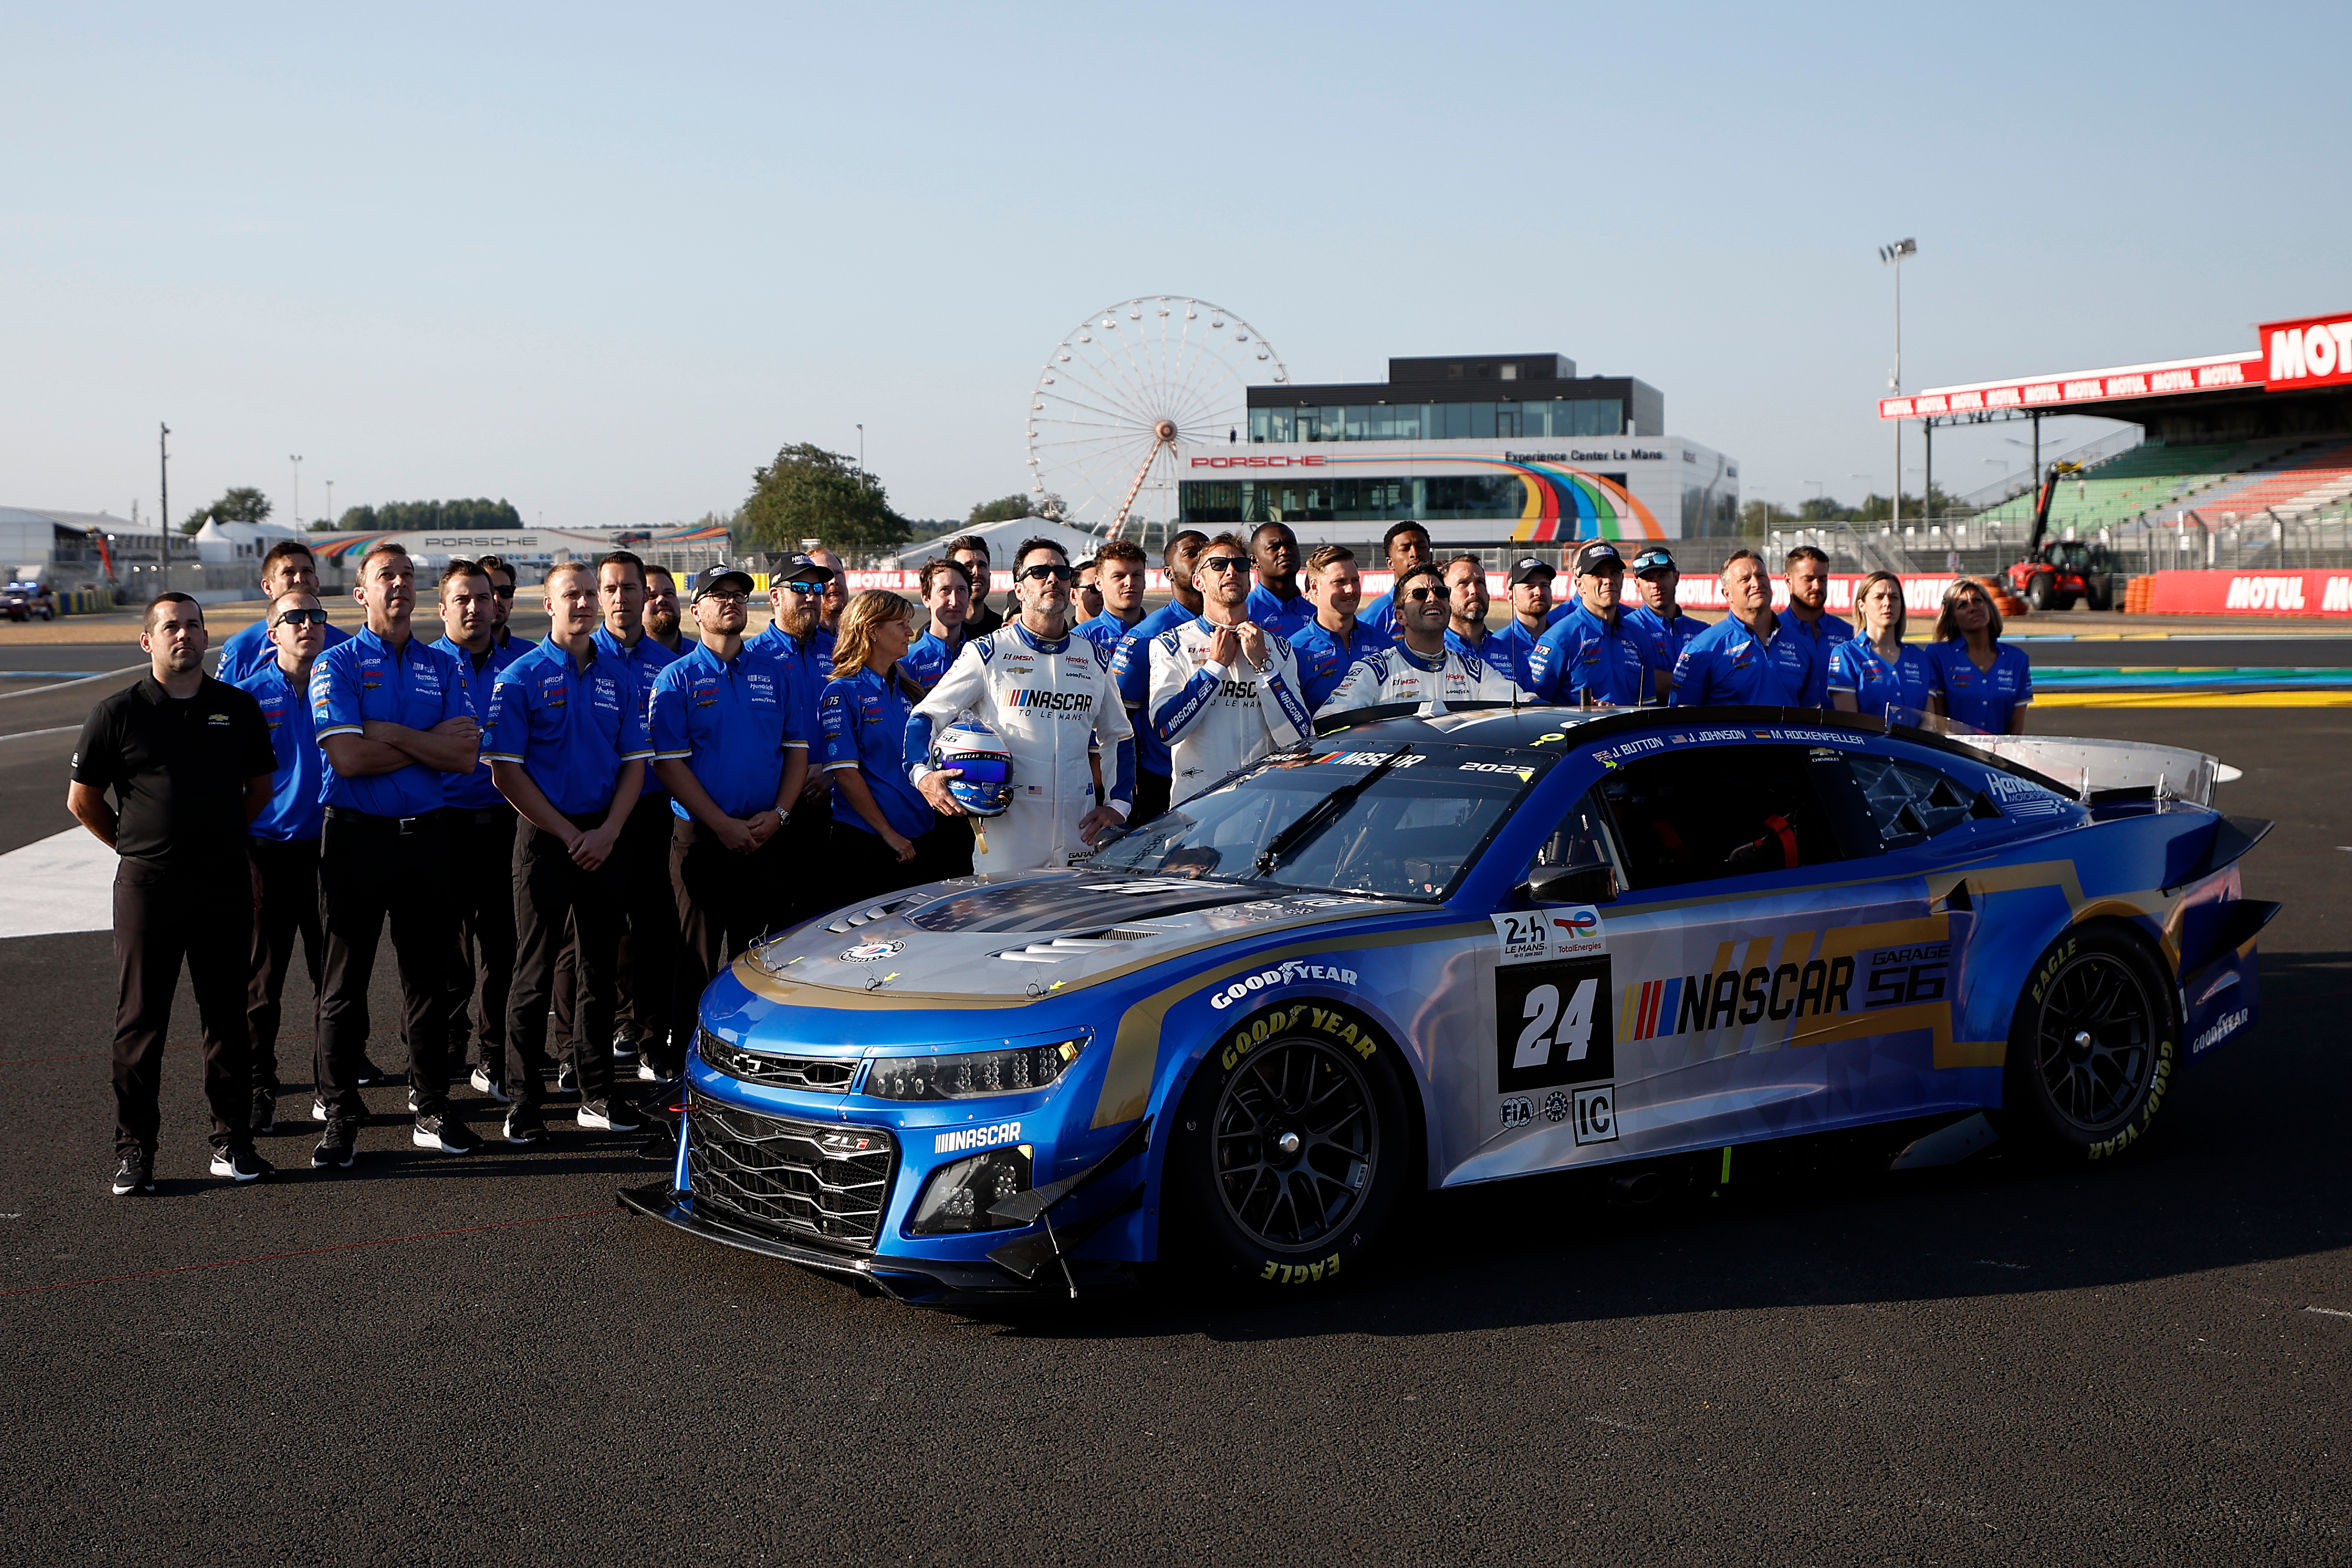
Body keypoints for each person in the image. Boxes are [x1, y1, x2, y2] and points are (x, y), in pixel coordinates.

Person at [70, 594, 279, 1194]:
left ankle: (232, 1143)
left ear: (206, 635)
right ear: (148, 641)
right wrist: (134, 846)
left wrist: (221, 841)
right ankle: (135, 1152)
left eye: (192, 625)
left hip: (221, 883)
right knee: (140, 1022)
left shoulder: (236, 709)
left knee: (226, 1021)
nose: (182, 634)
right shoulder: (118, 713)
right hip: (148, 887)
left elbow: (259, 788)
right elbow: (82, 801)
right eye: (169, 626)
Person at [309, 544, 483, 1165]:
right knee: (343, 984)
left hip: (427, 836)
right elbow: (348, 758)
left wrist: (390, 735)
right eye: (387, 576)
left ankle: (431, 1104)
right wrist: (427, 742)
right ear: (361, 594)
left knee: (428, 982)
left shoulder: (444, 665)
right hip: (355, 838)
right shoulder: (337, 664)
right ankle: (339, 1114)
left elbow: (464, 756)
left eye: (409, 576)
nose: (401, 585)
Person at [483, 561, 653, 1143]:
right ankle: (524, 1101)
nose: (584, 603)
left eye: (590, 594)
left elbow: (636, 763)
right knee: (531, 974)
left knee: (599, 972)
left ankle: (597, 1092)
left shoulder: (621, 677)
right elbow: (505, 772)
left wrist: (607, 832)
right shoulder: (521, 676)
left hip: (605, 835)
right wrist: (566, 832)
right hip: (546, 839)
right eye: (571, 595)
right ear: (548, 604)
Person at [651, 566, 808, 1081]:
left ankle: (750, 1071)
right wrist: (720, 824)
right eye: (718, 596)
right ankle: (682, 1072)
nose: (732, 603)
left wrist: (781, 815)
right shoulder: (676, 679)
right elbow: (670, 765)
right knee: (694, 961)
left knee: (757, 961)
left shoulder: (773, 673)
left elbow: (797, 752)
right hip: (703, 840)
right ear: (695, 611)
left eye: (740, 595)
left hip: (767, 836)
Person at [907, 539, 1135, 872]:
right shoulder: (988, 652)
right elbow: (926, 715)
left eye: (1061, 572)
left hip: (1080, 828)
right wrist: (922, 775)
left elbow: (1120, 735)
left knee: (1074, 923)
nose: (1052, 579)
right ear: (1019, 588)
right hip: (1008, 830)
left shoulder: (1095, 658)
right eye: (1040, 572)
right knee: (1004, 923)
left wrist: (1119, 804)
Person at [429, 561, 530, 1104]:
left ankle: (495, 1054)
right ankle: (444, 1048)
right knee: (443, 952)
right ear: (443, 608)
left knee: (503, 948)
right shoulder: (422, 667)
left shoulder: (525, 663)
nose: (474, 608)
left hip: (509, 824)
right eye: (462, 599)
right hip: (441, 825)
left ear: (497, 605)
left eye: (483, 598)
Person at [233, 589, 329, 1135]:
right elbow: (227, 788)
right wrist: (242, 853)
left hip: (330, 851)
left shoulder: (338, 686)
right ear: (273, 634)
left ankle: (330, 1086)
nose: (308, 624)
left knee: (334, 980)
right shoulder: (243, 698)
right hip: (266, 854)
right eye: (295, 616)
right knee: (261, 986)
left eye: (317, 616)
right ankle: (259, 1088)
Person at [582, 550, 680, 1070]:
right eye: (612, 589)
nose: (622, 598)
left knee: (653, 929)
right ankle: (580, 1050)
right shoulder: (582, 656)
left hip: (651, 812)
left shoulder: (669, 669)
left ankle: (649, 1040)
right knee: (589, 940)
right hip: (594, 813)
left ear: (646, 595)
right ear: (601, 597)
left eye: (631, 588)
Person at [1145, 531, 1314, 801]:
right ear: (1199, 581)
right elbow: (1167, 731)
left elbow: (1299, 737)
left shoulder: (1278, 649)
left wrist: (1266, 668)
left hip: (1261, 805)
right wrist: (1214, 668)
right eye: (1219, 565)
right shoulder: (1170, 645)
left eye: (1241, 565)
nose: (1232, 571)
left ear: (1250, 579)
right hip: (1198, 807)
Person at [824, 590, 963, 901]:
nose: (910, 632)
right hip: (869, 842)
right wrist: (889, 834)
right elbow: (846, 775)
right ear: (872, 629)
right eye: (901, 624)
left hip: (922, 836)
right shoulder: (842, 693)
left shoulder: (910, 692)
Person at [748, 551, 839, 923]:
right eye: (799, 587)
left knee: (824, 922)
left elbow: (854, 726)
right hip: (774, 812)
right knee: (771, 923)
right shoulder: (752, 657)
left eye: (817, 588)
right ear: (775, 597)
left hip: (830, 804)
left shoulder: (838, 653)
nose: (811, 596)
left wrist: (832, 771)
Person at [1318, 562, 1527, 718]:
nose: (1432, 598)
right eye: (1419, 594)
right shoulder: (1374, 670)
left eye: (1440, 592)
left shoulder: (1475, 670)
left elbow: (1525, 704)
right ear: (1401, 617)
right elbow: (1327, 719)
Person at [1109, 529, 1208, 824]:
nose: (1201, 558)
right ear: (1169, 573)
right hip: (1164, 783)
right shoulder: (1148, 635)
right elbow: (1118, 720)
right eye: (1191, 554)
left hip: (1227, 774)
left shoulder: (1237, 625)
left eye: (1207, 552)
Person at [1671, 551, 1811, 707]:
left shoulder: (1802, 644)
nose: (1757, 584)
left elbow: (1811, 717)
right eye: (1745, 579)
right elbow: (1681, 719)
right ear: (1728, 594)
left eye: (1761, 576)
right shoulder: (1702, 649)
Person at [1529, 542, 1651, 707]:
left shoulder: (1639, 634)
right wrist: (1581, 712)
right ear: (1580, 585)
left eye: (1614, 573)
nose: (1608, 580)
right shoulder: (1559, 639)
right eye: (1598, 574)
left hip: (1628, 732)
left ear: (1622, 579)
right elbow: (1532, 704)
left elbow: (1649, 705)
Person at [212, 540, 351, 686]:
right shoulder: (241, 648)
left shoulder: (344, 645)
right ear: (268, 587)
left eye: (307, 571)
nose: (300, 579)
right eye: (289, 572)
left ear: (317, 583)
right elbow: (222, 704)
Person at [1288, 545, 1390, 711]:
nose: (1351, 589)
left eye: (1355, 581)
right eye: (1340, 582)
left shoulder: (1384, 643)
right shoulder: (1295, 650)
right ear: (1315, 587)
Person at [1925, 578, 2033, 734]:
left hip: (2000, 754)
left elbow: (2016, 728)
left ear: (1989, 607)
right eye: (1963, 605)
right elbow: (1939, 724)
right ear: (1952, 619)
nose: (1973, 608)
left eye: (1978, 601)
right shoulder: (1938, 656)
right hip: (1955, 754)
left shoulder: (2017, 659)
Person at [1830, 571, 1936, 722]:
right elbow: (1849, 722)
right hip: (1868, 746)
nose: (1888, 603)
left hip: (1913, 746)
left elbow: (1930, 722)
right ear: (1862, 605)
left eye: (1894, 597)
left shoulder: (1920, 658)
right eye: (1879, 597)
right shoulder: (1846, 654)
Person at [1622, 547, 1705, 701]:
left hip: (1695, 722)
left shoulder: (1703, 631)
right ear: (1637, 584)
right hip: (1650, 722)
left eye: (1662, 576)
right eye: (1648, 579)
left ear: (1676, 577)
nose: (1656, 584)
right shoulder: (1626, 629)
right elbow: (1640, 680)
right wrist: (1700, 683)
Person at [1777, 545, 1853, 707]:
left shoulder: (1849, 635)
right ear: (1788, 581)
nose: (1817, 586)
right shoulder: (1772, 633)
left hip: (1840, 730)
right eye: (1809, 579)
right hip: (1789, 730)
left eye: (1823, 579)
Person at [1357, 521, 1434, 639]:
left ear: (1431, 556)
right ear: (1390, 563)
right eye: (1405, 549)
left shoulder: (1447, 605)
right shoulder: (1376, 614)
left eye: (1421, 547)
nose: (1415, 553)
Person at [1489, 556, 1556, 692]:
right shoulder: (1499, 645)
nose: (1539, 592)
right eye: (1530, 587)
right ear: (1511, 597)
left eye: (1545, 585)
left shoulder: (1563, 637)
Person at [905, 558, 973, 689]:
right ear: (926, 599)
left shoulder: (982, 656)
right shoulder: (905, 663)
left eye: (961, 590)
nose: (954, 601)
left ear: (969, 599)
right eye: (945, 590)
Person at [1073, 540, 1149, 654]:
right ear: (1099, 584)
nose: (1129, 582)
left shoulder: (1162, 631)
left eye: (1136, 575)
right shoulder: (1080, 639)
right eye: (1119, 576)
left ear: (1144, 580)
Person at [1243, 521, 1313, 639]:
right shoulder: (1244, 612)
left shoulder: (1317, 614)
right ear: (1255, 561)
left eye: (1291, 544)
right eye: (1274, 547)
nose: (1285, 551)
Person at [1441, 555, 1512, 668]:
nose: (1474, 590)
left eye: (1480, 583)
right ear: (1445, 595)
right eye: (1463, 583)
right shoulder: (1429, 652)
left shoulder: (1512, 655)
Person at [945, 535, 1003, 636]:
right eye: (968, 566)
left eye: (982, 566)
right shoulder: (934, 635)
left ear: (989, 574)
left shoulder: (1003, 631)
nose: (976, 572)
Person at [478, 554, 535, 654]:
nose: (496, 599)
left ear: (512, 600)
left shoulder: (532, 655)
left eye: (505, 591)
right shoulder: (444, 658)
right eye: (489, 592)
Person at [643, 565, 690, 654]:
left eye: (669, 593)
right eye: (652, 596)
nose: (662, 599)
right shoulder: (624, 661)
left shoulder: (702, 658)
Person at [809, 548, 849, 635]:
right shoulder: (800, 641)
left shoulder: (862, 633)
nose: (834, 581)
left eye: (838, 573)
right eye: (824, 575)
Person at [1074, 560, 1104, 624]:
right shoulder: (1066, 633)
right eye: (1094, 588)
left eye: (1106, 588)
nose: (1102, 595)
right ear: (1073, 596)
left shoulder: (1127, 632)